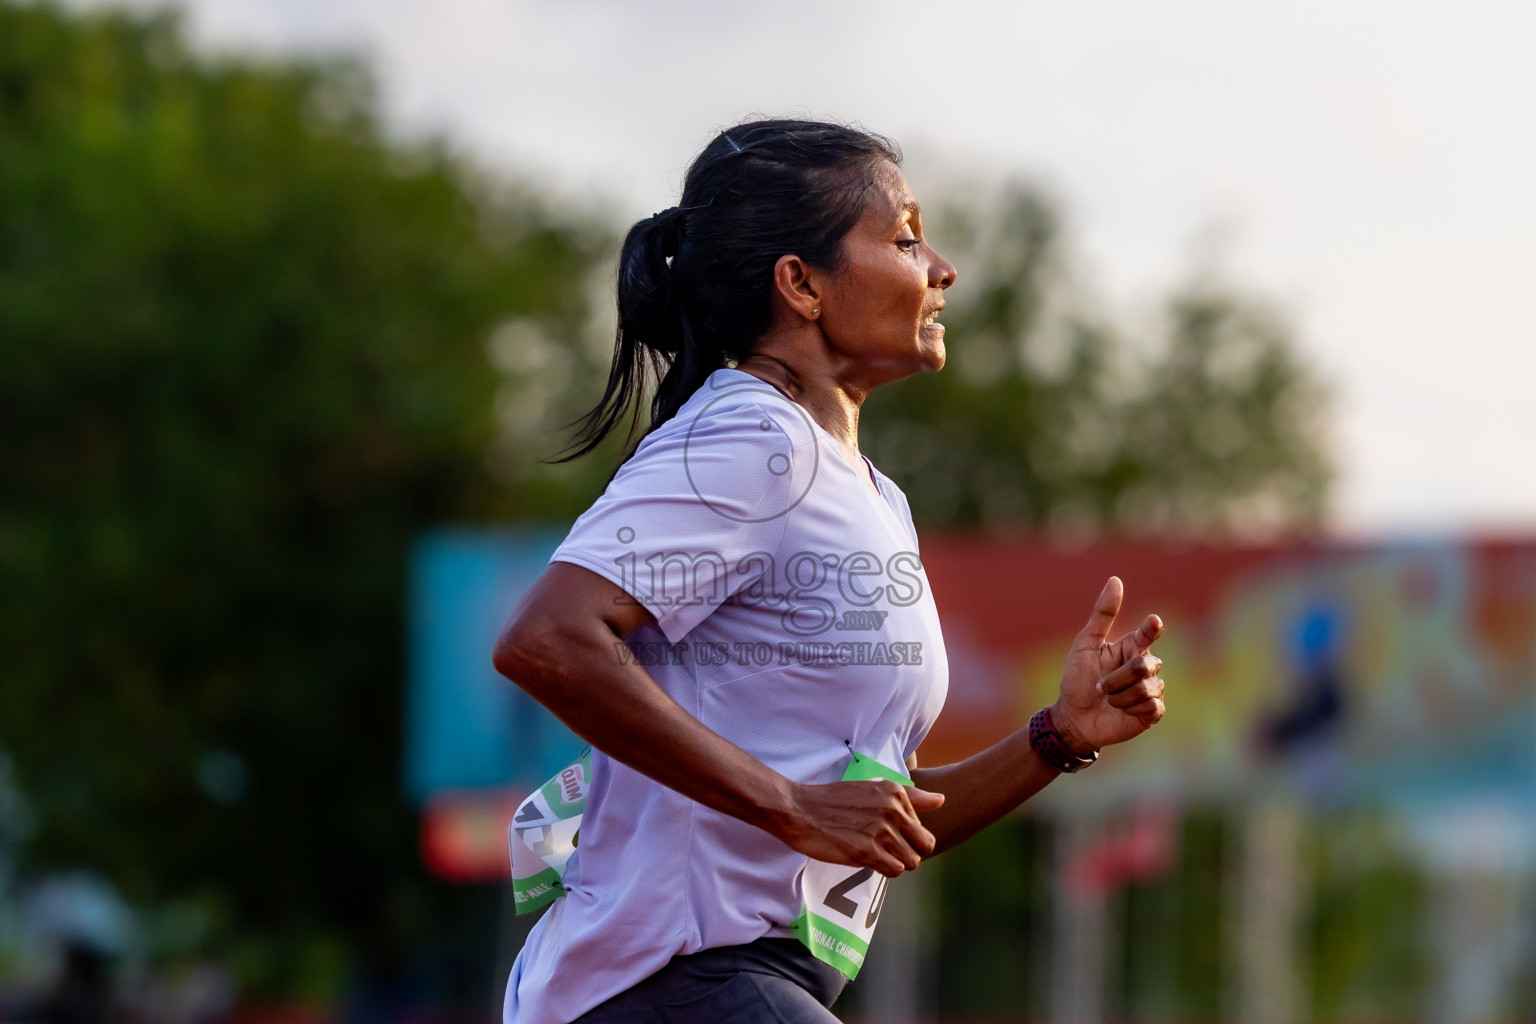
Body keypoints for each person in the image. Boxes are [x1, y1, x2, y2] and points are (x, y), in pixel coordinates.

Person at [492, 119, 1167, 1024]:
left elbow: (879, 819)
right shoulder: (751, 441)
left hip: (756, 984)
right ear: (801, 284)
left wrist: (1056, 736)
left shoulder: (871, 493)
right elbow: (546, 640)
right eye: (903, 237)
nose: (942, 268)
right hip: (665, 981)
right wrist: (787, 805)